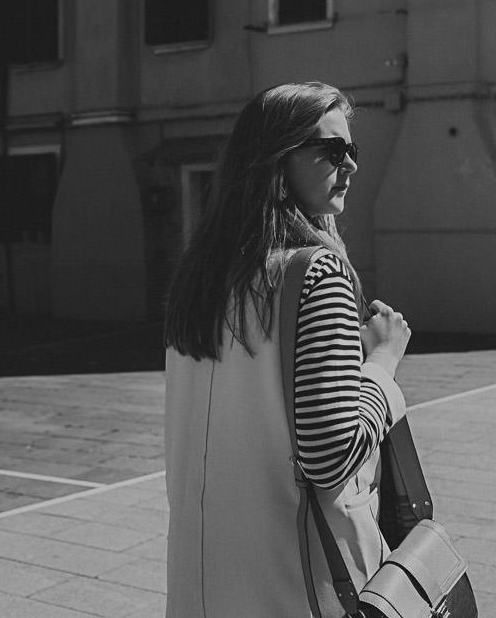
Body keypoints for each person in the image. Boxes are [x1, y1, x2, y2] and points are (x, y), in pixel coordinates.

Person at [163, 82, 411, 618]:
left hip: (201, 584)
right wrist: (384, 363)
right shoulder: (317, 273)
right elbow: (332, 456)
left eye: (352, 151)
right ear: (275, 158)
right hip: (294, 584)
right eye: (330, 150)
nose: (349, 166)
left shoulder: (199, 278)